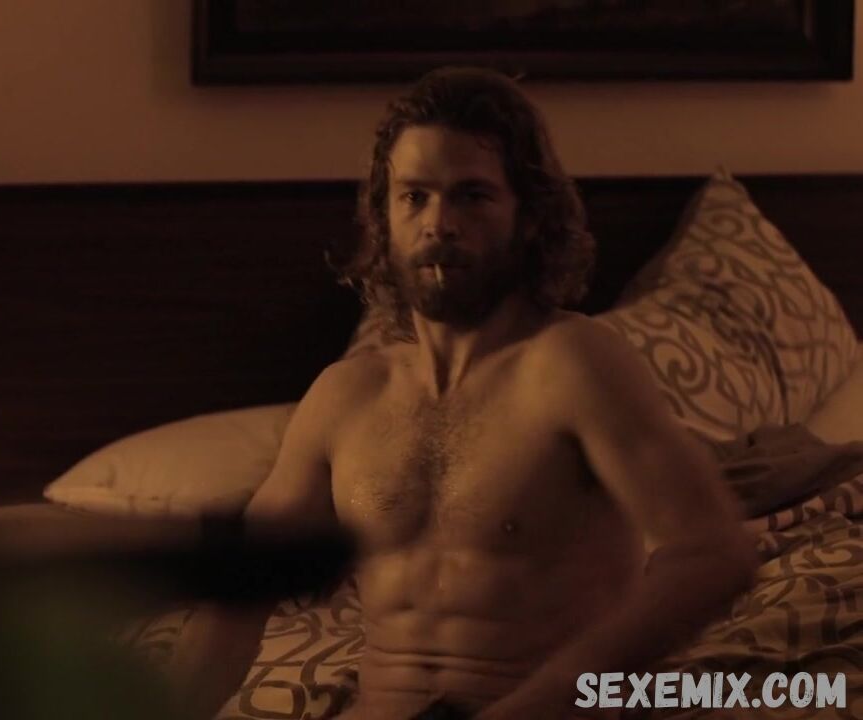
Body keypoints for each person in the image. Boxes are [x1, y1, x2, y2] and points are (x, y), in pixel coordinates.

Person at [167, 67, 759, 720]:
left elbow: (713, 552)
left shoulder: (572, 365)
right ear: (383, 216)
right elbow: (240, 593)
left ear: (529, 216)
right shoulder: (346, 394)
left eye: (471, 196)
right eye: (413, 196)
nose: (438, 223)